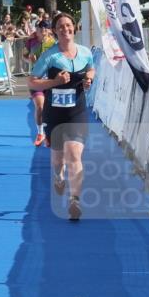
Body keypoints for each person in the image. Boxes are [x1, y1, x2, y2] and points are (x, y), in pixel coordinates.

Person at [28, 12, 95, 221]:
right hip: (54, 114)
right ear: (55, 31)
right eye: (61, 26)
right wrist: (55, 82)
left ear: (74, 28)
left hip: (77, 112)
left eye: (68, 25)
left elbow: (91, 68)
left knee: (74, 154)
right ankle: (58, 176)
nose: (65, 29)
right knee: (58, 159)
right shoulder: (49, 56)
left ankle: (75, 200)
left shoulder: (85, 52)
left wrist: (89, 79)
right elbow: (32, 82)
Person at [26, 21, 56, 145]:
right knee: (40, 107)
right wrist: (30, 59)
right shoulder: (32, 42)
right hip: (36, 79)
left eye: (45, 27)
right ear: (37, 30)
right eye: (40, 28)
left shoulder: (54, 43)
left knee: (51, 109)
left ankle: (49, 133)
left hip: (50, 80)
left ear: (49, 30)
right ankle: (40, 133)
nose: (43, 30)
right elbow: (25, 55)